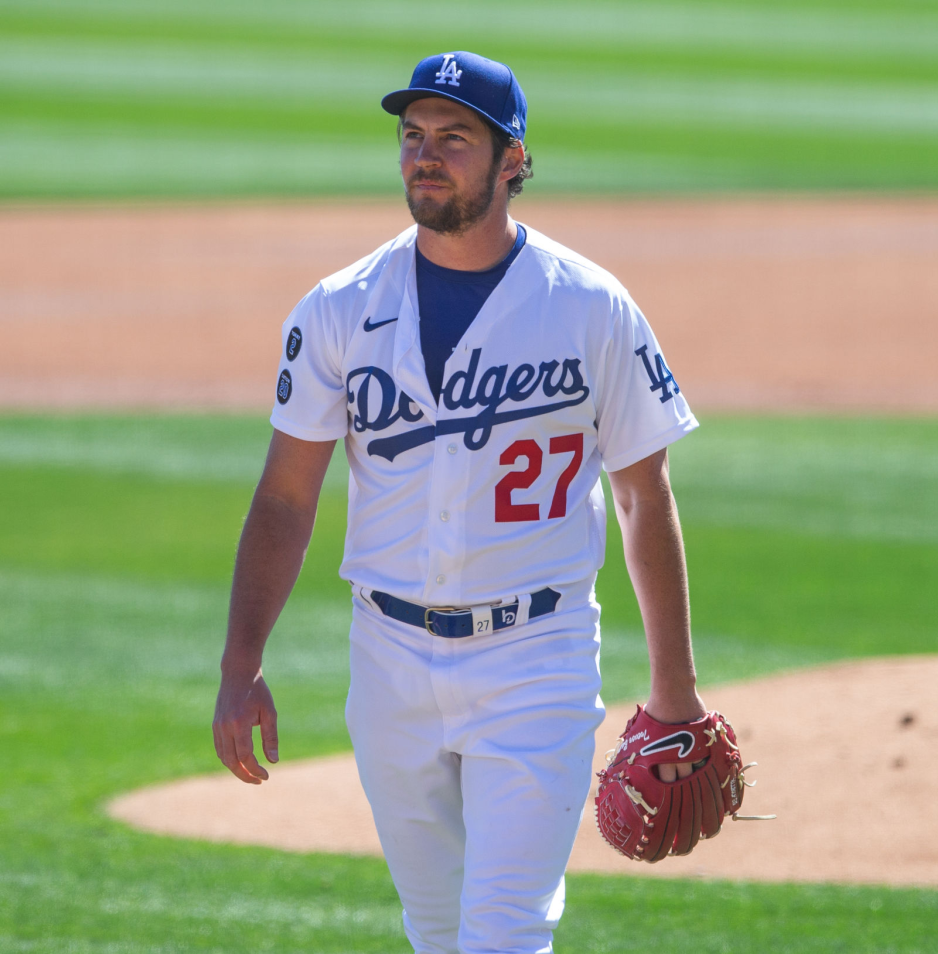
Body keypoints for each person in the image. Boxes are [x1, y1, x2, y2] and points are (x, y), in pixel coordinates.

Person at [212, 50, 704, 954]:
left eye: (454, 138)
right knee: (437, 931)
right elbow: (286, 496)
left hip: (536, 657)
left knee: (506, 932)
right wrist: (239, 663)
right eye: (412, 136)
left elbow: (643, 497)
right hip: (388, 657)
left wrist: (675, 694)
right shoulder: (338, 308)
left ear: (513, 158)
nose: (425, 156)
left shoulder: (591, 305)